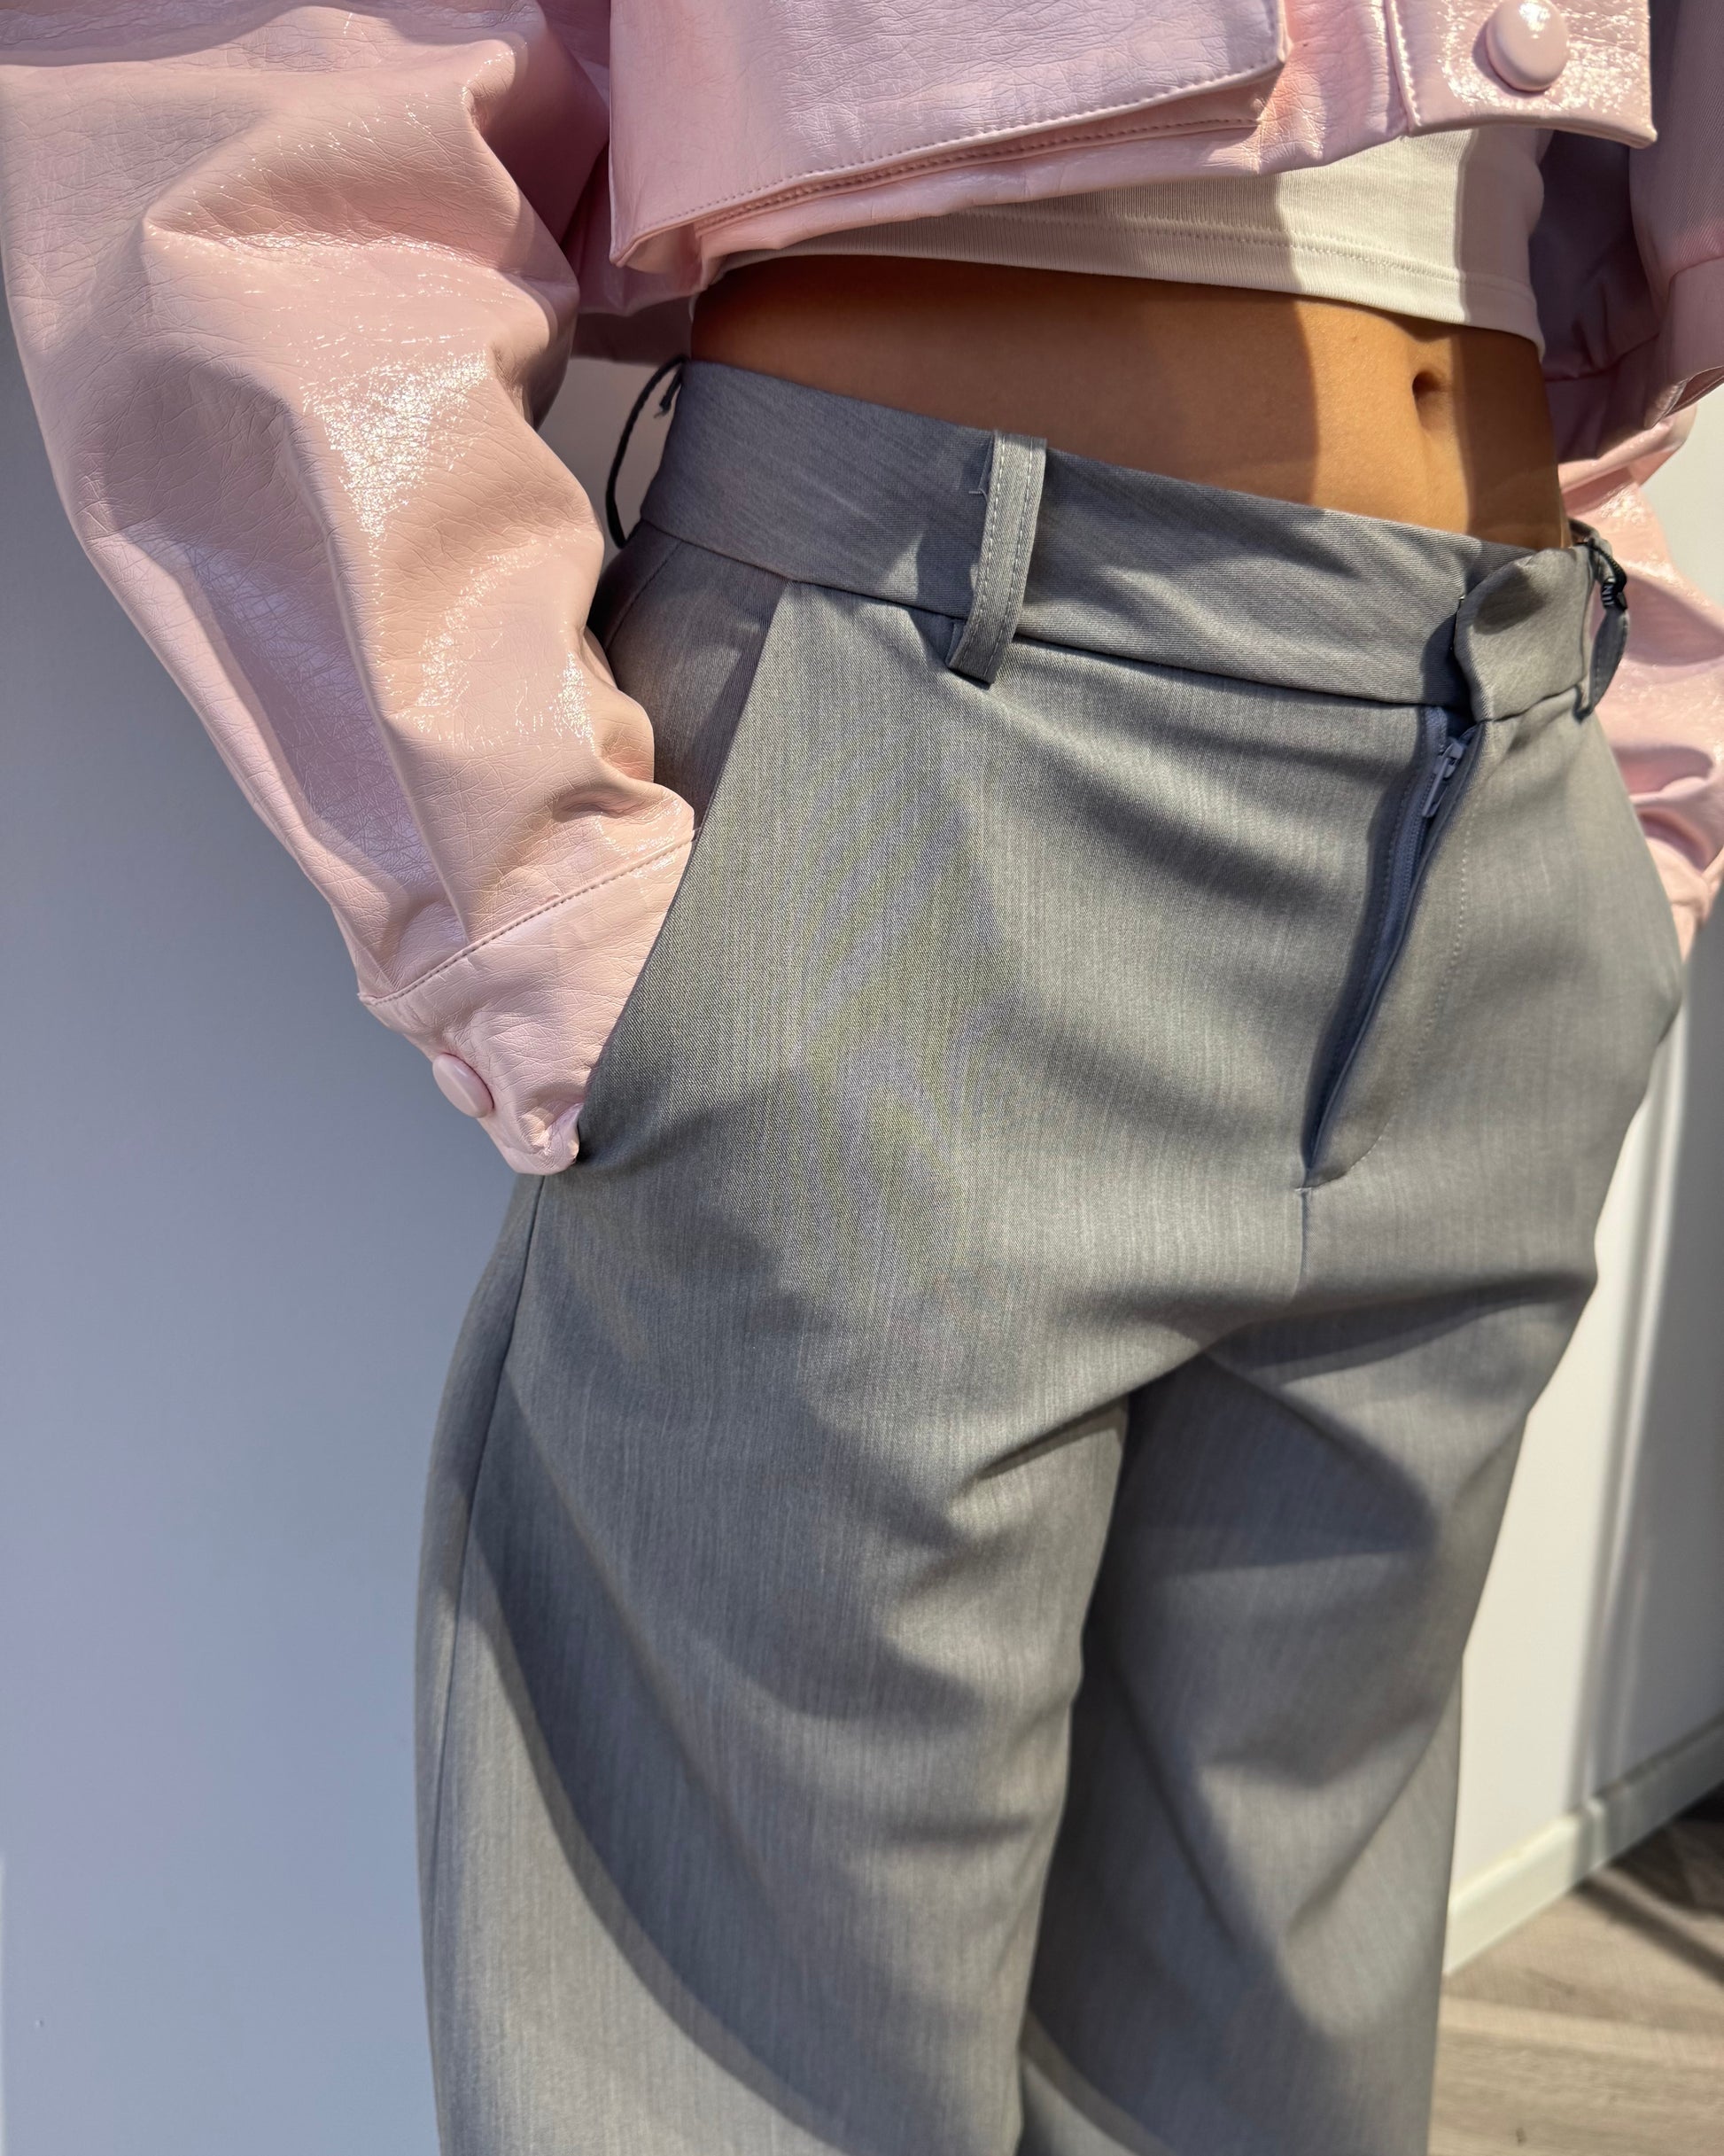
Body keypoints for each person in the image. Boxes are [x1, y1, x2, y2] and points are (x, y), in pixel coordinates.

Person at [3, 5, 1723, 2152]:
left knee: (1281, 2048)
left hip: (1496, 774)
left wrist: (1637, 806)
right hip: (916, 741)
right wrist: (538, 901)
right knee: (746, 2076)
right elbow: (249, 107)